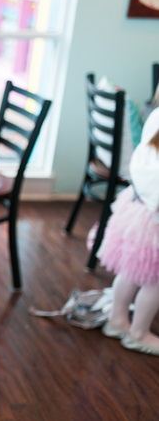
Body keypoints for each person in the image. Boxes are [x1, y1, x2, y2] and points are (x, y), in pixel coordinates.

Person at [98, 108, 159, 356]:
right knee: (155, 281)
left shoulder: (156, 114)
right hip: (154, 213)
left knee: (132, 271)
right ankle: (138, 333)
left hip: (137, 207)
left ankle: (117, 319)